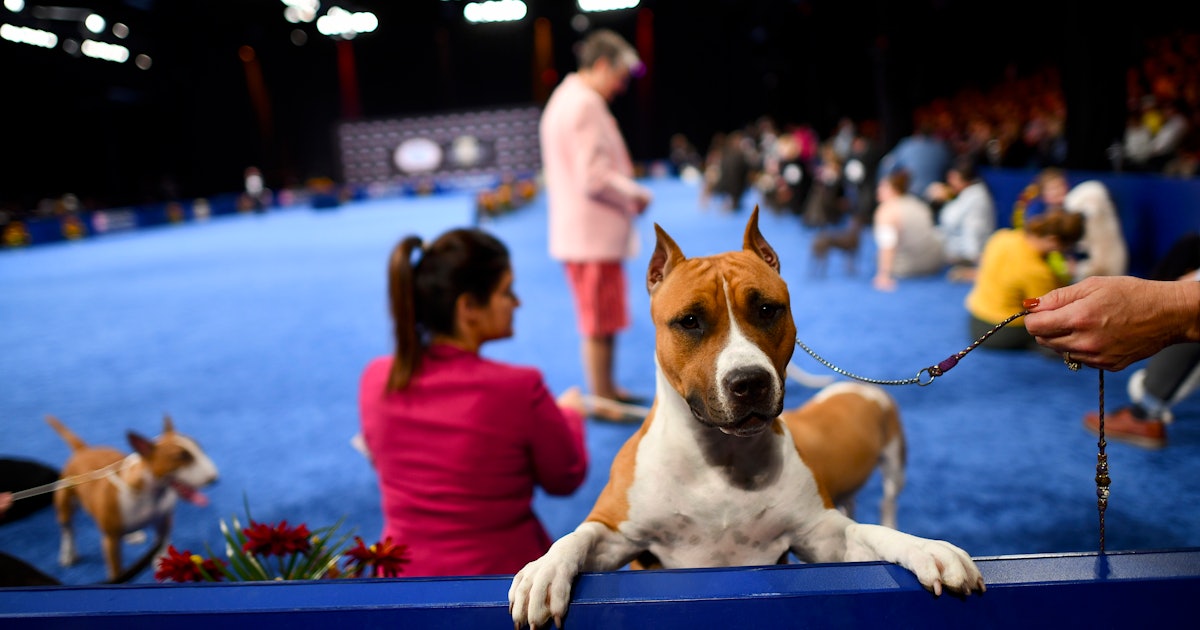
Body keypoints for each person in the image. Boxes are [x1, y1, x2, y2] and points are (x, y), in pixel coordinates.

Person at [357, 228, 589, 577]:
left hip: (398, 579)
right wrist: (571, 415)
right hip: (502, 586)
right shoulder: (519, 388)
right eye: (507, 291)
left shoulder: (377, 377)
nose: (518, 302)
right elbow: (565, 477)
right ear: (468, 308)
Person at [539, 28, 652, 409]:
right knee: (598, 322)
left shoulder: (566, 98)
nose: (621, 87)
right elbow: (594, 178)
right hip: (591, 236)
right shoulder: (584, 104)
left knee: (600, 318)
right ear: (602, 65)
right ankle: (603, 394)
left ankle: (606, 388)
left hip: (584, 234)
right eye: (619, 77)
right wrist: (637, 194)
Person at [965, 209, 1085, 350]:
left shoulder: (1001, 236)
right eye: (1066, 248)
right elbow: (1048, 311)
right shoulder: (1037, 271)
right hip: (1003, 331)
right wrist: (1067, 276)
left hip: (975, 318)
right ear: (1054, 241)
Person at [871, 170, 944, 291]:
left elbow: (887, 245)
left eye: (882, 187)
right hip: (935, 263)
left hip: (910, 267)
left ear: (892, 188)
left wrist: (883, 276)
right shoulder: (918, 204)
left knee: (877, 258)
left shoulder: (886, 210)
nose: (878, 190)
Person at [927, 155, 995, 282]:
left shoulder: (976, 198)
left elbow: (973, 232)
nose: (949, 181)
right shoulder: (969, 193)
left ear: (965, 179)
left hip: (967, 253)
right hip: (958, 247)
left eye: (953, 178)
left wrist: (974, 263)